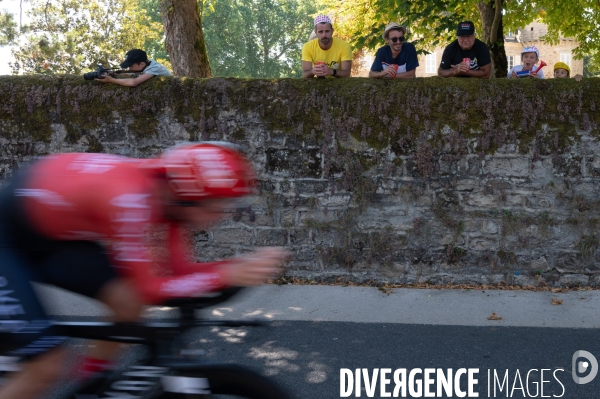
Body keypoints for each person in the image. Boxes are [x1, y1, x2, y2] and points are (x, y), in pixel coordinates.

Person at [0, 142, 288, 399]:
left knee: (127, 300)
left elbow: (178, 272)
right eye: (218, 205)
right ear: (190, 197)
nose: (222, 215)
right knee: (46, 364)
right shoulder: (131, 200)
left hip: (47, 236)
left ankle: (88, 386)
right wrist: (228, 274)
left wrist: (234, 267)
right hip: (7, 239)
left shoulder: (171, 200)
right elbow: (150, 288)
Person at [96, 49, 171, 87]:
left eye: (131, 66)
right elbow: (131, 74)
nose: (129, 69)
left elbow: (133, 82)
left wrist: (111, 80)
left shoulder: (154, 68)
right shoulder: (146, 65)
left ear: (142, 64)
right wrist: (113, 73)